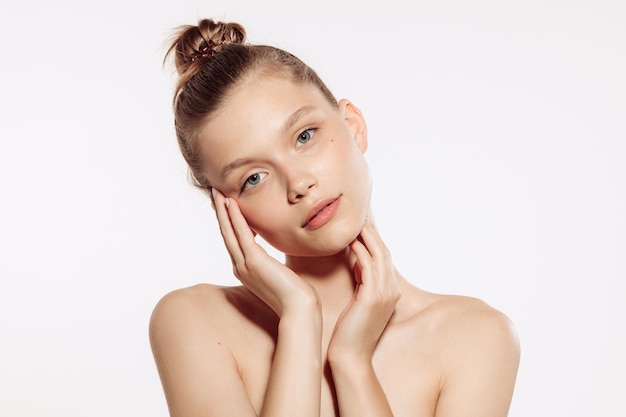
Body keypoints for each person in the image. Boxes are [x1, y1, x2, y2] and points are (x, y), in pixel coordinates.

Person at [149, 18, 520, 417]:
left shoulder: (476, 338)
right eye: (253, 178)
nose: (298, 184)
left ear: (352, 125)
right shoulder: (195, 323)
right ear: (227, 209)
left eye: (304, 136)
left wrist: (352, 362)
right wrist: (299, 317)